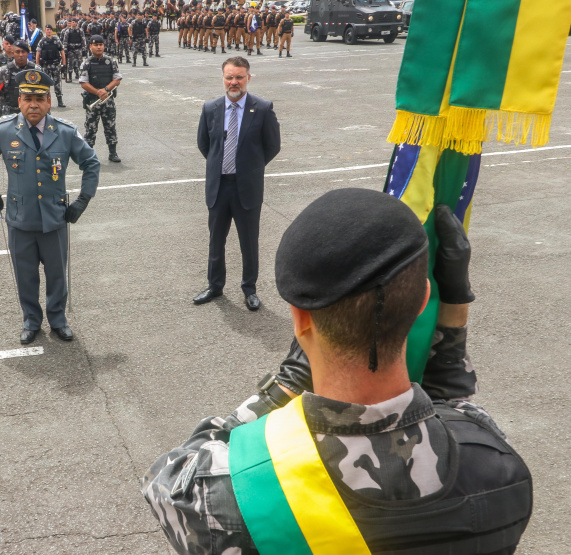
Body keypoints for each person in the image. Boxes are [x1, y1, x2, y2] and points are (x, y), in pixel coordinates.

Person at [142, 190, 533, 553]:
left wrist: (288, 382)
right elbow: (449, 413)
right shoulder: (500, 470)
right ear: (423, 301)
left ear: (299, 319)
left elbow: (175, 472)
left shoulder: (224, 493)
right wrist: (455, 309)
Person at [0, 69, 100, 345]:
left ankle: (58, 320)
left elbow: (91, 163)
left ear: (49, 102)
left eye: (40, 98)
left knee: (57, 275)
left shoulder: (65, 132)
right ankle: (31, 320)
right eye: (28, 98)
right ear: (19, 100)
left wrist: (83, 200)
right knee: (25, 276)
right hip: (20, 219)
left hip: (55, 218)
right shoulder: (5, 130)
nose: (34, 104)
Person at [194, 57, 280, 310]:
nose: (234, 82)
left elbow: (272, 146)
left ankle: (249, 289)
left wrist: (250, 168)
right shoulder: (210, 108)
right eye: (229, 77)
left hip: (247, 187)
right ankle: (215, 286)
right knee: (215, 240)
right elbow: (204, 145)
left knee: (249, 241)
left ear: (248, 78)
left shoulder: (262, 108)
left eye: (239, 77)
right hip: (219, 187)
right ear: (223, 78)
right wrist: (221, 166)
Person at [79, 35, 122, 162]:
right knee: (90, 129)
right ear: (90, 46)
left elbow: (117, 79)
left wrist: (106, 90)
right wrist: (98, 92)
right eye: (96, 45)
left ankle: (113, 153)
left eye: (101, 44)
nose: (99, 47)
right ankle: (88, 155)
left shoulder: (111, 61)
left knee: (110, 127)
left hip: (108, 101)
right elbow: (83, 83)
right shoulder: (86, 63)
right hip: (93, 101)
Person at [0, 39, 39, 118]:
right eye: (17, 52)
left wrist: (46, 108)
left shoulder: (36, 70)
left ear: (28, 53)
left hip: (30, 112)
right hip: (9, 113)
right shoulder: (5, 70)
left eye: (23, 52)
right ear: (13, 53)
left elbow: (46, 89)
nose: (20, 55)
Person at [35, 24, 67, 108]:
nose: (48, 31)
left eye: (50, 29)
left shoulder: (56, 40)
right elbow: (38, 53)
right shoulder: (42, 41)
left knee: (57, 84)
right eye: (47, 29)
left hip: (55, 65)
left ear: (52, 31)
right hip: (46, 65)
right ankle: (46, 102)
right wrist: (37, 65)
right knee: (45, 84)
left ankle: (60, 101)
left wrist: (64, 64)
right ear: (45, 31)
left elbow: (62, 52)